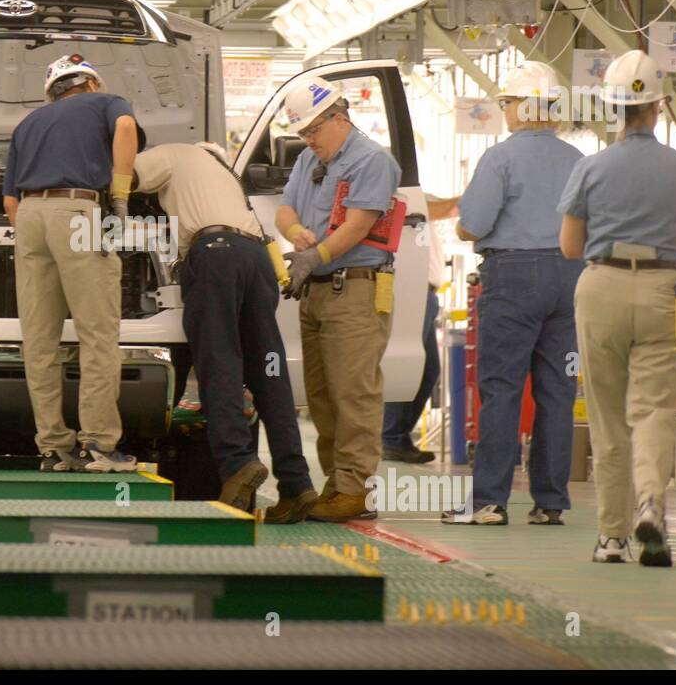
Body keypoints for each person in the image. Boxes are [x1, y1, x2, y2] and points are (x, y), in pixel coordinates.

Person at [558, 50, 676, 567]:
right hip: (663, 291)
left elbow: (571, 246)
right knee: (654, 410)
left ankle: (612, 537)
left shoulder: (590, 167)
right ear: (658, 107)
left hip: (601, 288)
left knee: (607, 415)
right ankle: (651, 503)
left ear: (611, 108)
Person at [132, 140, 315, 519]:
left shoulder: (170, 154)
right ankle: (297, 485)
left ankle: (236, 464)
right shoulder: (224, 176)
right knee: (269, 371)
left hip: (215, 255)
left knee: (220, 362)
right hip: (256, 262)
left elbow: (123, 179)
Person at [447, 62, 585, 526]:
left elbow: (473, 223)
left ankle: (489, 501)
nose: (504, 111)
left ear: (524, 106)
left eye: (506, 103)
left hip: (514, 275)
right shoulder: (577, 159)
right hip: (571, 277)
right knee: (558, 391)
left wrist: (466, 223)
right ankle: (550, 502)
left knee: (502, 387)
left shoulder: (500, 158)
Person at [2, 54, 142, 473]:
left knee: (39, 340)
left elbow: (9, 201)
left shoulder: (27, 125)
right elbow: (126, 128)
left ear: (54, 92)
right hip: (78, 212)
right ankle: (98, 444)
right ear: (91, 84)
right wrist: (119, 197)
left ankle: (53, 447)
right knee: (97, 331)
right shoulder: (107, 103)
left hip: (28, 218)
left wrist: (38, 227)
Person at [276, 76, 403, 523]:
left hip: (355, 288)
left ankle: (357, 489)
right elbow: (284, 209)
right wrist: (295, 234)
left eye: (313, 130)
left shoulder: (371, 160)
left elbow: (359, 225)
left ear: (339, 116)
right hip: (317, 291)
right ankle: (337, 482)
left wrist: (316, 255)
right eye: (302, 134)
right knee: (323, 395)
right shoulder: (309, 159)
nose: (309, 140)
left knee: (354, 392)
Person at [382, 194, 457, 464]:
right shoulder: (408, 199)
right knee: (412, 366)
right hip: (413, 289)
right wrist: (471, 194)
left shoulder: (419, 201)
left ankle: (395, 436)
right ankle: (390, 437)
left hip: (425, 292)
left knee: (428, 371)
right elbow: (446, 207)